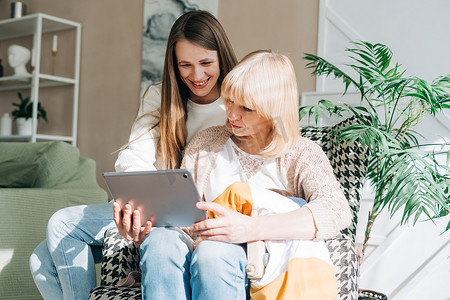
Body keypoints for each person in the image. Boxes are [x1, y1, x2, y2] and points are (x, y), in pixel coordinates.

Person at [29, 10, 237, 300]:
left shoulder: (238, 103)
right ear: (173, 65)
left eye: (206, 63)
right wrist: (141, 202)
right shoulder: (160, 96)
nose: (197, 75)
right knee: (44, 250)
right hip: (154, 211)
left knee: (49, 245)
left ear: (222, 58)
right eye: (185, 65)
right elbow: (132, 157)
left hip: (204, 213)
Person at [118, 50, 352, 299]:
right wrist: (145, 229)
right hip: (199, 245)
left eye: (246, 108)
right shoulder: (205, 143)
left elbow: (336, 211)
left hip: (254, 260)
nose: (232, 114)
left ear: (274, 110)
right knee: (160, 243)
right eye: (229, 101)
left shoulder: (301, 153)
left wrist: (250, 228)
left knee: (213, 253)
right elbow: (185, 221)